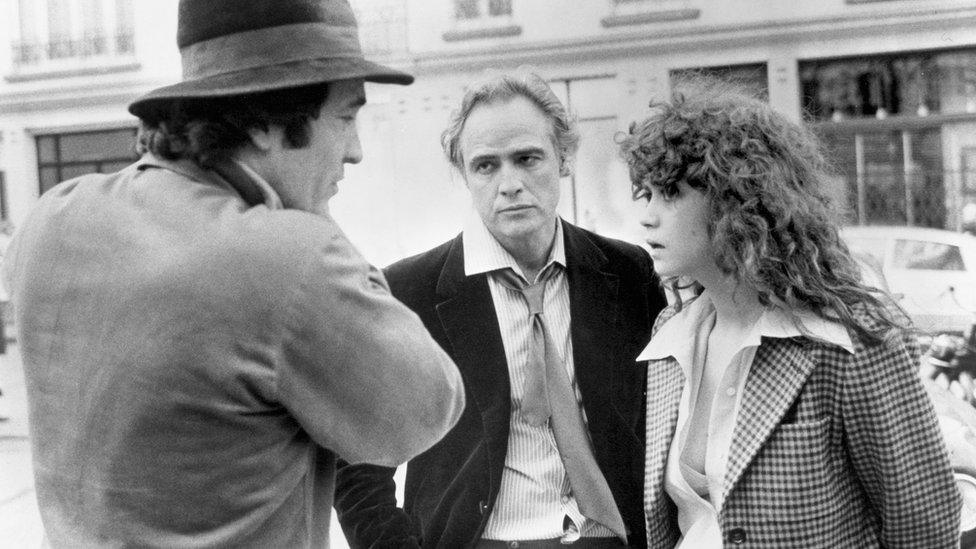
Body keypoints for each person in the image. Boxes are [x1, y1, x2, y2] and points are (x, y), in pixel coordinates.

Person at [1, 0, 465, 546]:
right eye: (346, 116)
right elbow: (425, 408)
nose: (356, 150)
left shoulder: (53, 217)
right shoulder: (290, 258)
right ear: (269, 121)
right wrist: (315, 222)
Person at [622, 76, 961, 547]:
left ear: (735, 201)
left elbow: (924, 526)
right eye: (648, 194)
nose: (647, 216)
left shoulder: (849, 342)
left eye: (672, 193)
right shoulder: (671, 335)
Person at [335, 71, 667, 548]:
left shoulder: (628, 273)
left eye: (527, 158)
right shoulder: (407, 292)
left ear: (565, 158)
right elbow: (356, 461)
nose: (509, 184)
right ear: (464, 175)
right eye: (486, 166)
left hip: (609, 537)